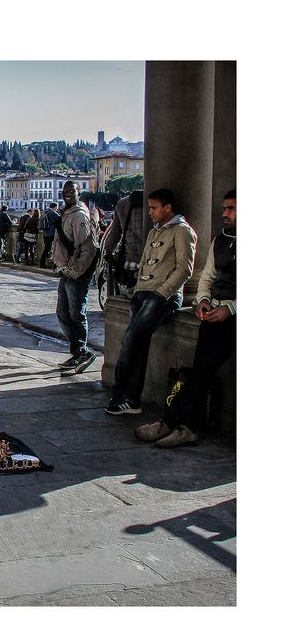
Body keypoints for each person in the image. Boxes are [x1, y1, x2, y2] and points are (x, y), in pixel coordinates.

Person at [135, 189, 236, 447]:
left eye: (231, 209)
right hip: (213, 311)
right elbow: (208, 276)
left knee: (201, 371)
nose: (224, 214)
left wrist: (232, 308)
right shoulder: (220, 240)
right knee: (200, 370)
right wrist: (202, 300)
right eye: (224, 208)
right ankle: (179, 423)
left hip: (231, 316)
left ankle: (173, 422)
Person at [105, 188, 197, 415]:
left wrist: (162, 292)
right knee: (138, 343)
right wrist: (138, 291)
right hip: (143, 294)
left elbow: (185, 268)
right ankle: (131, 399)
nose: (150, 212)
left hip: (161, 296)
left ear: (168, 208)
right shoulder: (154, 232)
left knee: (130, 339)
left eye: (155, 208)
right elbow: (146, 263)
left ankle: (121, 396)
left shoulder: (182, 231)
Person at [52, 181, 99, 374]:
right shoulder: (67, 212)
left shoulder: (79, 215)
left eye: (72, 191)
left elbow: (89, 248)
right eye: (65, 191)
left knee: (76, 313)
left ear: (79, 193)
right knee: (63, 313)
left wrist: (75, 270)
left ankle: (82, 352)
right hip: (65, 271)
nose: (68, 194)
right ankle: (78, 352)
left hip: (76, 274)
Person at [100, 190, 145, 299]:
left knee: (130, 297)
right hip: (151, 261)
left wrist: (108, 251)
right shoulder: (155, 203)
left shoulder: (123, 204)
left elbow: (114, 234)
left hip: (130, 259)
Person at [38, 202, 60, 268]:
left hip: (45, 233)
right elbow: (61, 219)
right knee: (50, 248)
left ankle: (43, 262)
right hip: (51, 233)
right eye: (57, 207)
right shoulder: (53, 213)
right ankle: (43, 263)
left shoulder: (46, 212)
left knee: (47, 248)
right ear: (55, 207)